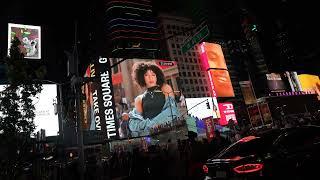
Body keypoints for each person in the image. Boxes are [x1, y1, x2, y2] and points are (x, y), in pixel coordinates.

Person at [128, 62, 180, 137]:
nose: (150, 77)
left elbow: (172, 110)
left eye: (153, 74)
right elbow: (134, 124)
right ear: (142, 77)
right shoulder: (139, 99)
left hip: (167, 132)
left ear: (157, 76)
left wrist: (151, 125)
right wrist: (150, 127)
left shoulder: (165, 88)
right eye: (146, 75)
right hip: (150, 136)